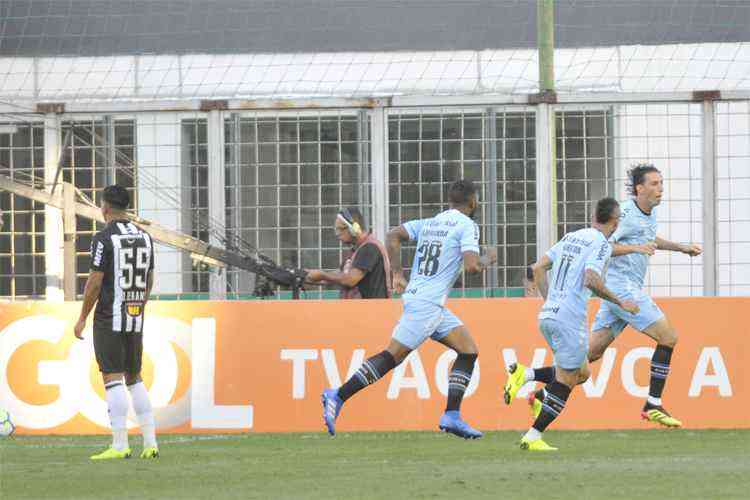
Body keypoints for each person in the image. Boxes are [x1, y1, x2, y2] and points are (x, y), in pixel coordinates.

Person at [508, 165, 702, 429]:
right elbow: (605, 245)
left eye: (661, 183)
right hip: (621, 289)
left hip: (618, 294)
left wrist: (680, 248)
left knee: (589, 355)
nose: (660, 188)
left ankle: (537, 388)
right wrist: (635, 248)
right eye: (654, 183)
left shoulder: (649, 214)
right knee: (668, 337)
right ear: (639, 188)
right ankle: (653, 403)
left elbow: (648, 238)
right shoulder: (625, 215)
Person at [320, 180, 497, 438]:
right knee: (392, 357)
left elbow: (394, 235)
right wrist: (488, 258)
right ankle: (339, 394)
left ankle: (452, 415)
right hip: (426, 305)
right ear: (473, 202)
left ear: (450, 201)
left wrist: (398, 273)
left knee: (468, 351)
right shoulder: (467, 226)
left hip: (426, 302)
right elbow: (472, 267)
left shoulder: (431, 222)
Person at [504, 197, 639, 451]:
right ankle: (533, 437)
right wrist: (621, 303)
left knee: (583, 373)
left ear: (593, 217)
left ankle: (527, 374)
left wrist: (550, 300)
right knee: (567, 380)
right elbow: (591, 279)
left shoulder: (572, 237)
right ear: (615, 221)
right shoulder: (601, 244)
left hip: (549, 315)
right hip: (570, 318)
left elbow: (537, 267)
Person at [73, 185, 159, 460]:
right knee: (135, 378)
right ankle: (150, 443)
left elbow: (95, 281)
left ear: (105, 208)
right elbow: (149, 278)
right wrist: (139, 307)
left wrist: (83, 317)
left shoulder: (103, 238)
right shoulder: (145, 237)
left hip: (109, 315)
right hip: (134, 315)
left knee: (112, 378)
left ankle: (120, 445)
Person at [305, 207, 390, 298]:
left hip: (372, 311)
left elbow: (351, 279)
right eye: (336, 230)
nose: (337, 234)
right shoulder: (356, 250)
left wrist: (322, 275)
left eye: (341, 229)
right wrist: (308, 277)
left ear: (355, 229)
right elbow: (340, 276)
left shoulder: (370, 248)